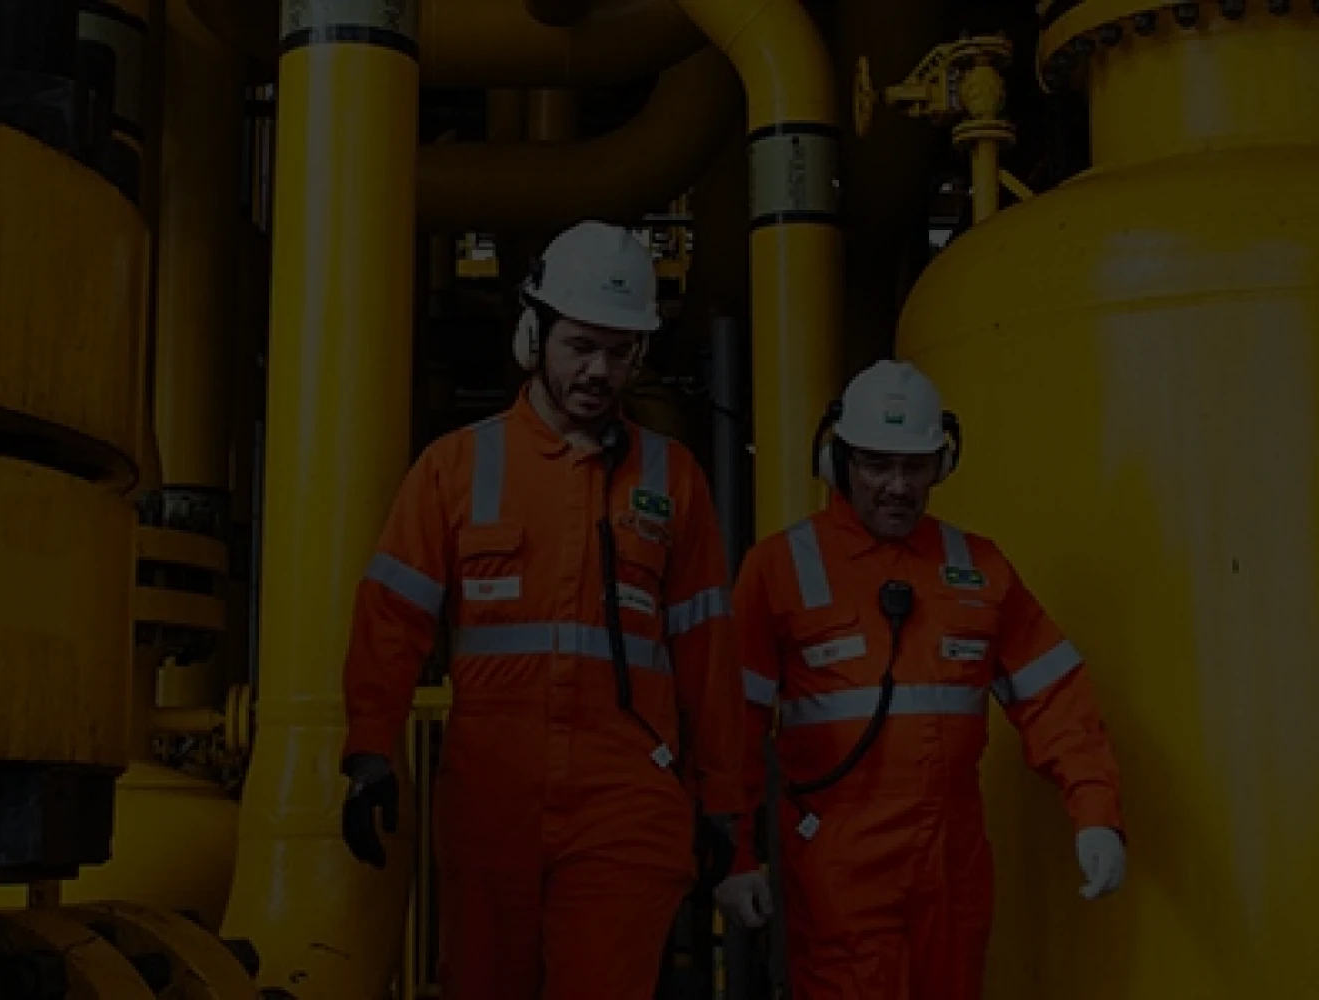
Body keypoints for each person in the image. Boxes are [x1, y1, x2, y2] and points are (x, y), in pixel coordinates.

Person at [338, 219, 745, 1000]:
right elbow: (392, 620)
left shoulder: (674, 477)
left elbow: (707, 652)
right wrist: (368, 754)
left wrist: (723, 802)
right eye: (580, 345)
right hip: (493, 797)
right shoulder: (456, 468)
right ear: (535, 334)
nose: (599, 371)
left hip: (627, 798)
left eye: (619, 352)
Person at [712, 359, 1127, 999]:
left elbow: (1054, 696)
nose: (898, 486)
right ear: (840, 461)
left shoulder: (979, 568)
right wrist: (733, 857)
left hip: (951, 867)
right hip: (839, 871)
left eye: (915, 466)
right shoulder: (779, 569)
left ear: (943, 464)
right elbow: (729, 725)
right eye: (877, 464)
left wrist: (1096, 813)